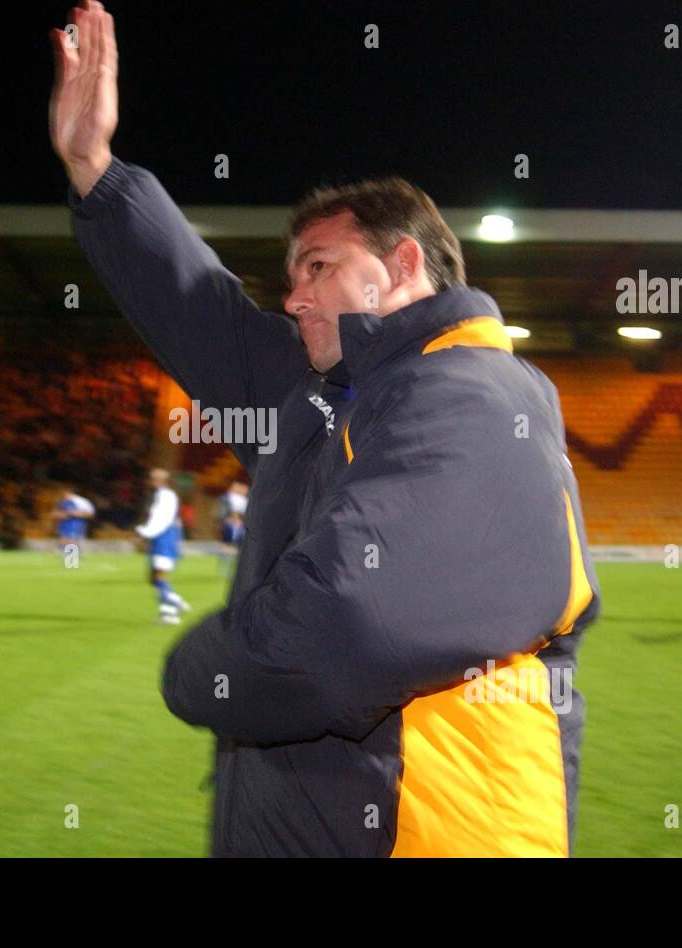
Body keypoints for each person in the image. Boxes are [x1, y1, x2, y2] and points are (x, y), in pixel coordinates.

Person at [51, 0, 600, 857]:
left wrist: (196, 671)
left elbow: (341, 627)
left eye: (319, 267)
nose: (295, 295)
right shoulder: (325, 394)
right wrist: (97, 169)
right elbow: (205, 311)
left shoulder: (479, 396)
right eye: (290, 276)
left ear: (405, 263)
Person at [134, 469, 191, 624]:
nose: (150, 480)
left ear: (162, 480)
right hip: (161, 537)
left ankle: (170, 613)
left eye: (154, 478)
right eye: (151, 477)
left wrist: (144, 533)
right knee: (154, 578)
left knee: (160, 576)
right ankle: (174, 604)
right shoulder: (159, 495)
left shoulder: (165, 496)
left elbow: (161, 519)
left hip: (164, 537)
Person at [51, 487, 96, 562]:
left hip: (76, 523)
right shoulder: (62, 502)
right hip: (64, 524)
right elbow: (54, 514)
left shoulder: (80, 502)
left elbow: (90, 513)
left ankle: (74, 557)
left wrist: (76, 514)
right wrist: (62, 515)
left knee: (73, 539)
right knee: (64, 538)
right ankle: (67, 555)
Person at [216, 481, 248, 576]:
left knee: (239, 547)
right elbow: (222, 512)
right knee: (226, 546)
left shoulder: (243, 499)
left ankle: (237, 569)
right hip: (229, 524)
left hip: (240, 525)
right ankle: (224, 568)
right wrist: (228, 519)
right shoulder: (225, 498)